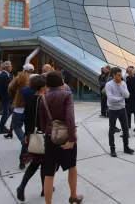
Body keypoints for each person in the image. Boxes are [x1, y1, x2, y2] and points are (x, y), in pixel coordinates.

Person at [39, 71, 82, 204]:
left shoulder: (43, 97)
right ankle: (73, 196)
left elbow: (42, 121)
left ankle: (48, 202)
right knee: (72, 167)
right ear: (61, 81)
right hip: (65, 136)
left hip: (50, 135)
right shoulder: (66, 94)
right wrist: (72, 138)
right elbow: (69, 117)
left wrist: (47, 133)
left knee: (49, 172)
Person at [17, 75, 50, 202]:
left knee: (37, 161)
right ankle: (43, 188)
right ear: (43, 86)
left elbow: (27, 118)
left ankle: (24, 186)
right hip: (43, 135)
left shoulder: (30, 98)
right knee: (43, 162)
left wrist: (27, 135)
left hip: (33, 134)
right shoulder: (44, 99)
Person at [6, 64, 35, 170]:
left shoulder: (19, 77)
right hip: (31, 106)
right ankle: (27, 142)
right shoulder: (35, 78)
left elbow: (10, 88)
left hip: (19, 105)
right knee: (29, 127)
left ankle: (24, 141)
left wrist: (15, 97)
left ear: (24, 69)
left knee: (16, 125)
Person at [106, 67, 135, 157]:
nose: (120, 77)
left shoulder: (123, 84)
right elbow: (110, 99)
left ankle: (126, 147)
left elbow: (127, 95)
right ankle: (112, 149)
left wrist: (120, 87)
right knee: (112, 130)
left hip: (122, 109)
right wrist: (121, 98)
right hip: (112, 110)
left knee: (125, 129)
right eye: (118, 75)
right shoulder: (109, 84)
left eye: (121, 75)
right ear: (113, 75)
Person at [0, 61, 13, 134]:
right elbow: (6, 87)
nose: (11, 67)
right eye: (10, 66)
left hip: (5, 97)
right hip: (5, 97)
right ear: (6, 67)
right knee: (6, 113)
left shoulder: (5, 75)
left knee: (9, 111)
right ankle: (1, 127)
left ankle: (2, 125)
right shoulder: (4, 75)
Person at [126, 68, 135, 137]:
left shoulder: (129, 80)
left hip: (129, 99)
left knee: (128, 114)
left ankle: (127, 130)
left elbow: (127, 89)